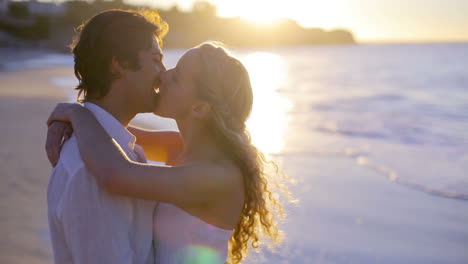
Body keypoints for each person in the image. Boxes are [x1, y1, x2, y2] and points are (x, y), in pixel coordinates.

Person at [46, 42, 289, 263]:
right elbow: (109, 128)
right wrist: (73, 117)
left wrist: (77, 115)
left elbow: (116, 175)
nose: (163, 76)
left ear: (199, 108)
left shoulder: (218, 176)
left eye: (177, 77)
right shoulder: (178, 147)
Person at [45, 9, 169, 264]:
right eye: (156, 59)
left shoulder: (117, 149)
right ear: (120, 64)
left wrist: (75, 113)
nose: (163, 72)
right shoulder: (88, 170)